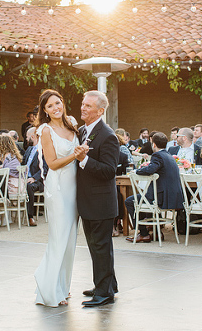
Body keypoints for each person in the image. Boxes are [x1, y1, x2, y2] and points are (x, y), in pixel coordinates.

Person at [32, 89, 82, 307]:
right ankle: (49, 289)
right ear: (44, 110)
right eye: (50, 106)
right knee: (59, 237)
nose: (56, 108)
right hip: (58, 186)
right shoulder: (45, 131)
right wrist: (75, 155)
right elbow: (51, 163)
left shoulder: (71, 123)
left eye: (58, 103)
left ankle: (63, 286)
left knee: (71, 238)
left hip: (75, 186)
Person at [73, 90, 120, 307]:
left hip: (101, 202)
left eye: (88, 106)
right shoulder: (82, 131)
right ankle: (106, 284)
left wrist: (84, 160)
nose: (83, 108)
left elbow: (109, 171)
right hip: (87, 200)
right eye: (83, 104)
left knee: (101, 246)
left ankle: (104, 293)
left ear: (100, 110)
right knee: (95, 246)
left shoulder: (108, 135)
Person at [127, 132, 185, 243]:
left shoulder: (157, 155)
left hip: (162, 197)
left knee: (130, 201)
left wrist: (137, 171)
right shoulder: (169, 156)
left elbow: (150, 170)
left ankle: (143, 233)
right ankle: (157, 232)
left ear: (154, 144)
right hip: (172, 196)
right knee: (146, 197)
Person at [22, 127, 47, 227]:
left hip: (38, 181)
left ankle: (30, 216)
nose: (27, 139)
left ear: (33, 136)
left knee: (29, 186)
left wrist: (34, 178)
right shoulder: (28, 149)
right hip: (24, 178)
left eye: (27, 137)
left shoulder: (43, 149)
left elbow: (45, 167)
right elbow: (23, 163)